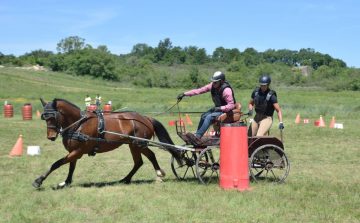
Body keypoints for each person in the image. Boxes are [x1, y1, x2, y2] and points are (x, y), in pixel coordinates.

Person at [177, 71, 236, 145]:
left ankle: (197, 137)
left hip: (226, 111)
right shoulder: (212, 86)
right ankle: (197, 136)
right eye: (213, 82)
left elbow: (231, 105)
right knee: (203, 116)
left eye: (215, 82)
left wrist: (220, 108)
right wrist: (184, 94)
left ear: (221, 81)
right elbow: (199, 91)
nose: (213, 84)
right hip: (218, 109)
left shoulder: (226, 90)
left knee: (208, 117)